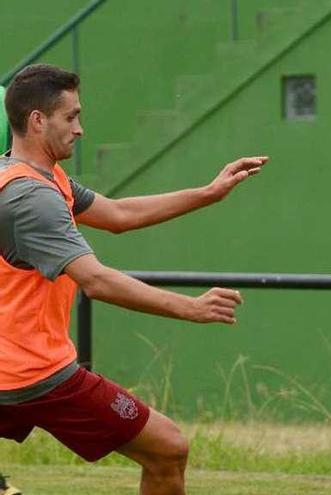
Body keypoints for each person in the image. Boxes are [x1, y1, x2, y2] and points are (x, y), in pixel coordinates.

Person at [0, 64, 268, 494]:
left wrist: (208, 193)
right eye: (70, 117)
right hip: (35, 375)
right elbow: (96, 281)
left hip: (12, 367)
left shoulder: (37, 179)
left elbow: (119, 215)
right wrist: (191, 307)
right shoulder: (33, 199)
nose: (80, 128)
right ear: (37, 120)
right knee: (168, 448)